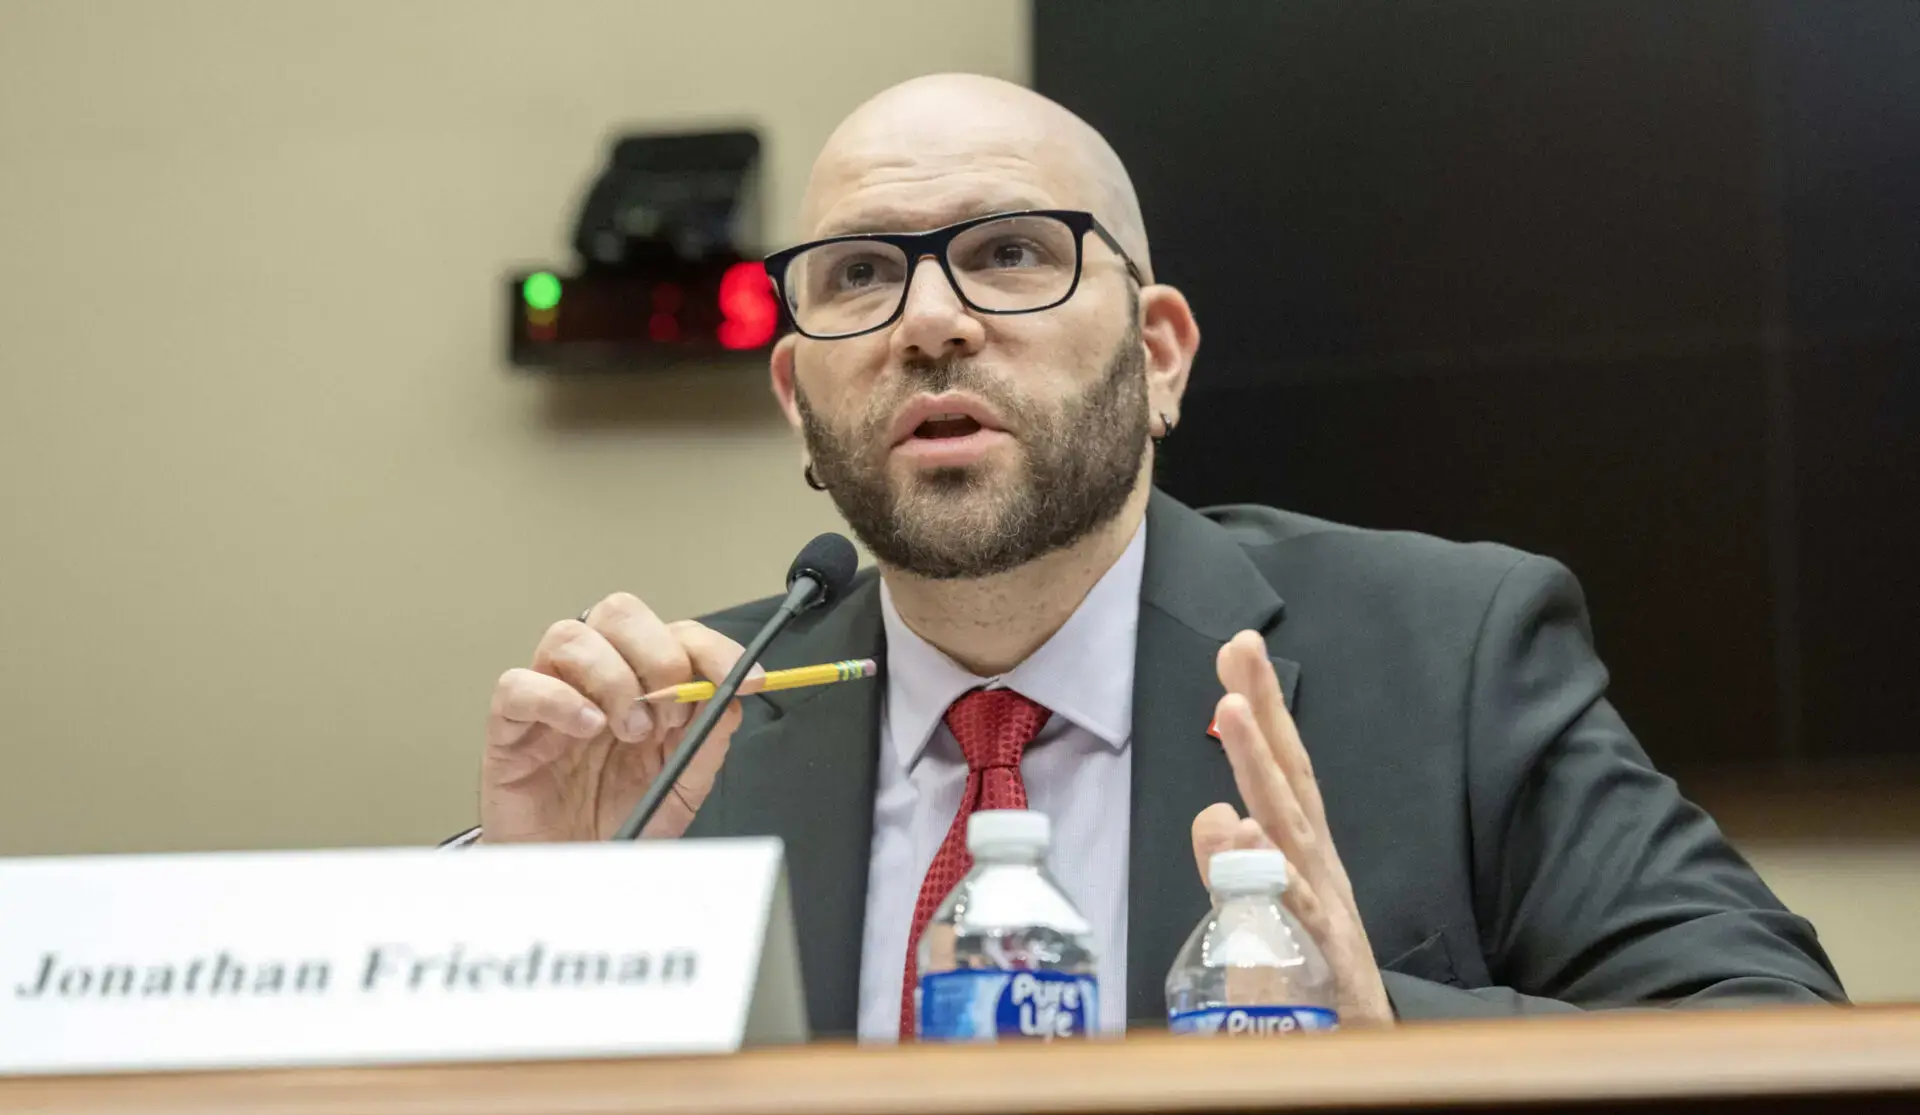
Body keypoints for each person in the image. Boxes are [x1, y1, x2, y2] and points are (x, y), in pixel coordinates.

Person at [467, 74, 1843, 1039]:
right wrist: (541, 932)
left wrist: (1386, 1031)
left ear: (1159, 354)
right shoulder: (684, 730)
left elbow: (1775, 1038)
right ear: (797, 401)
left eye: (1010, 254)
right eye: (861, 277)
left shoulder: (1450, 652)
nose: (930, 320)